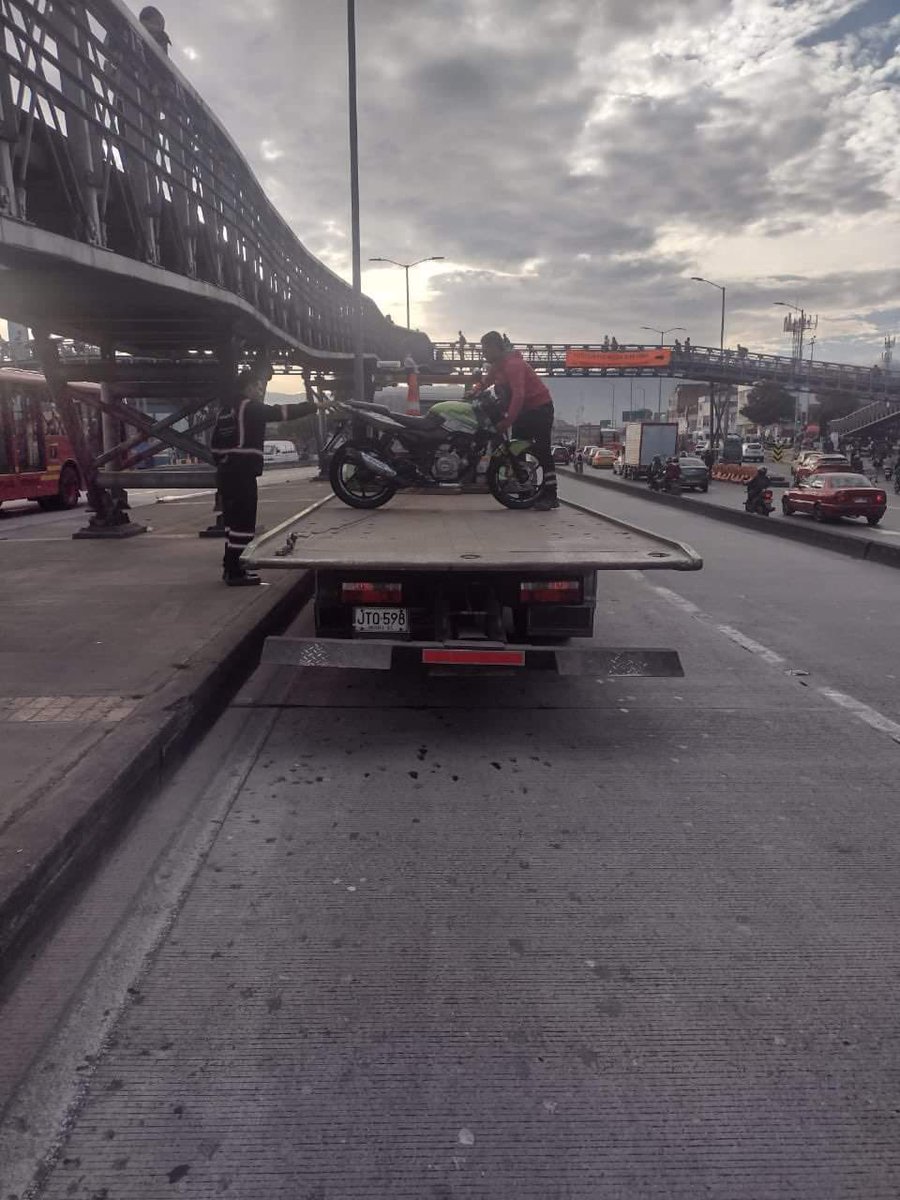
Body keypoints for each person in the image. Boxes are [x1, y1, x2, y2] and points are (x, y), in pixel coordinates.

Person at [211, 368, 317, 586]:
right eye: (259, 387)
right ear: (248, 387)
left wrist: (225, 462)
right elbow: (280, 413)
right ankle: (237, 572)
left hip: (226, 474)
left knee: (232, 523)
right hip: (242, 474)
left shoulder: (225, 410)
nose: (261, 391)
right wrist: (313, 406)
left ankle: (230, 565)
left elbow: (214, 445)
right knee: (244, 523)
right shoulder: (248, 407)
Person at [479, 330, 558, 510]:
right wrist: (474, 392)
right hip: (523, 411)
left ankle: (550, 495)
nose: (483, 353)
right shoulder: (497, 366)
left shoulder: (513, 365)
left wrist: (506, 422)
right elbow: (485, 382)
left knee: (542, 450)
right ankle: (526, 491)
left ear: (496, 347)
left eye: (486, 349)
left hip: (539, 408)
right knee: (516, 449)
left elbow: (518, 396)